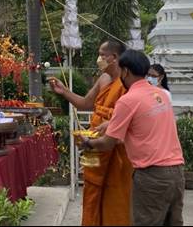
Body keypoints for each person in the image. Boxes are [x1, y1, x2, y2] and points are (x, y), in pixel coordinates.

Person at [77, 50, 185, 226]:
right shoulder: (162, 95)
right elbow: (143, 128)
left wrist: (87, 143)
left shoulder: (128, 100)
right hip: (177, 173)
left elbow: (107, 143)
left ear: (125, 71)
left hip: (152, 175)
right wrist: (111, 125)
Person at [48, 40, 132, 226]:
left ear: (115, 57)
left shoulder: (127, 82)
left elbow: (130, 118)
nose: (99, 59)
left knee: (115, 192)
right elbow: (86, 103)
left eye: (103, 55)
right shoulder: (103, 78)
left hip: (115, 146)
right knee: (92, 188)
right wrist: (64, 92)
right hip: (93, 142)